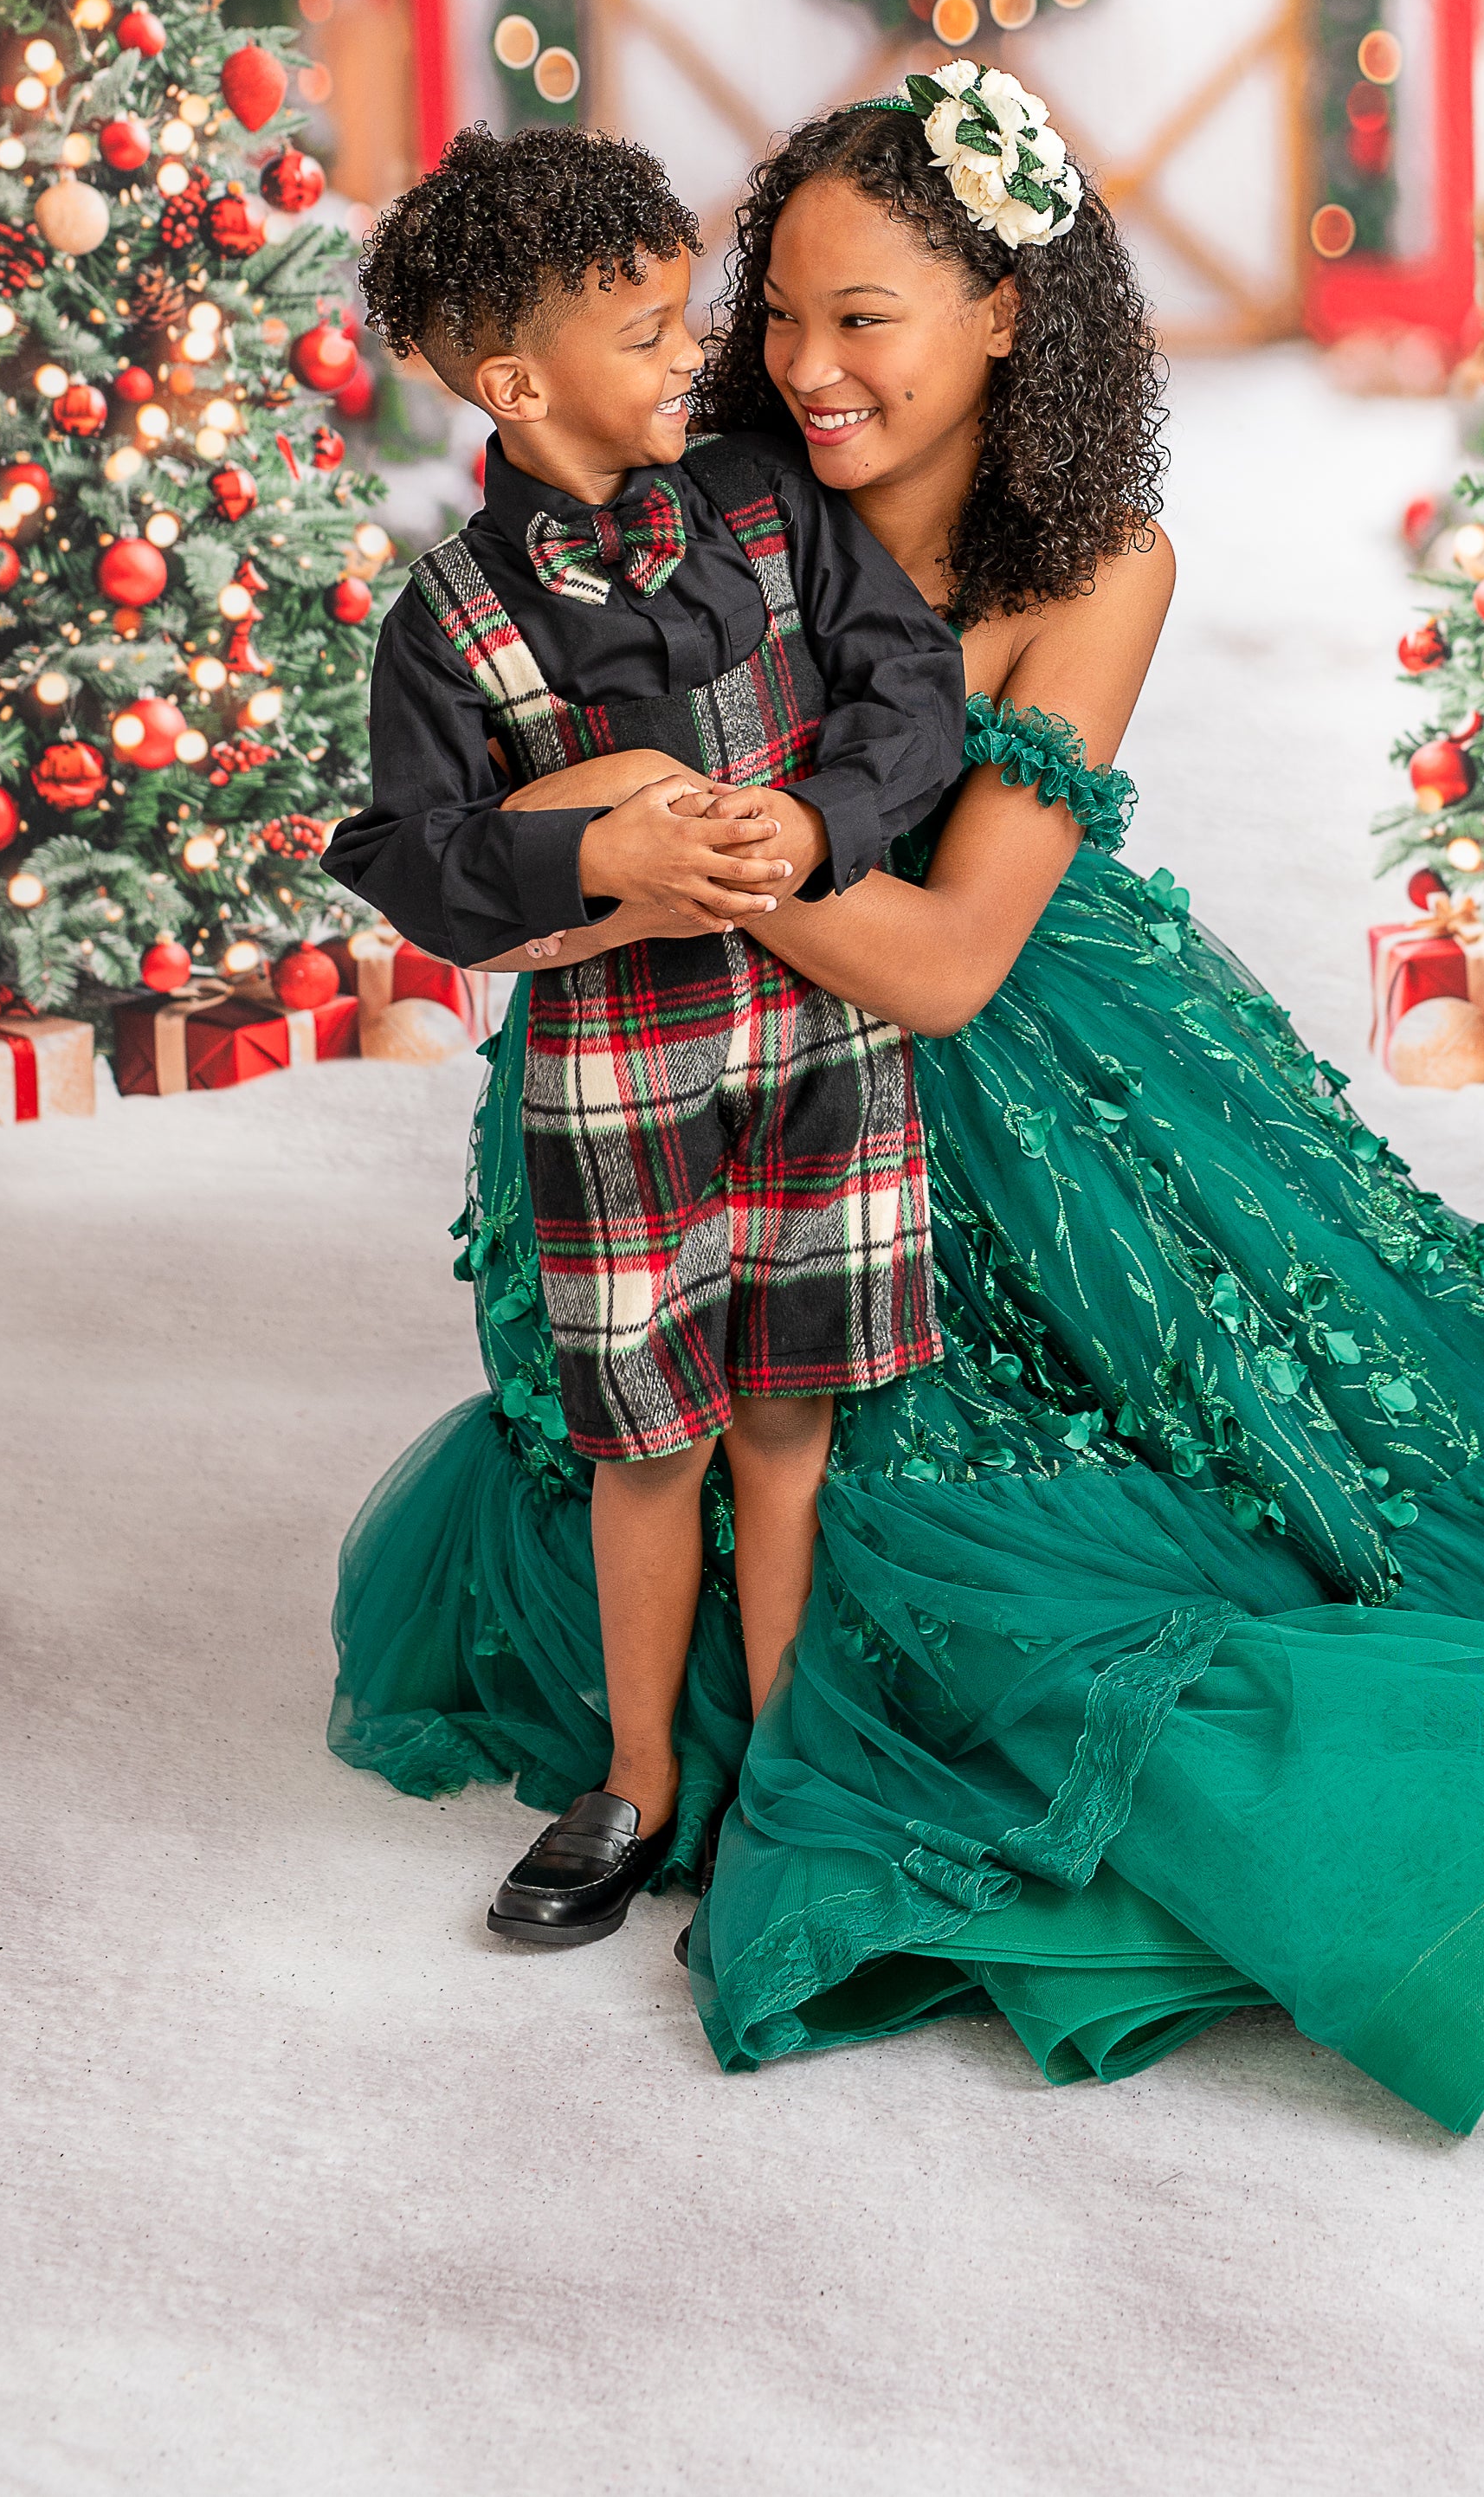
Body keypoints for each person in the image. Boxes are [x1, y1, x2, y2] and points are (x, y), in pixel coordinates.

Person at [332, 68, 1484, 2135]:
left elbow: (944, 960)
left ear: (1008, 311)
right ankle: (674, 1752)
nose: (800, 366)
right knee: (642, 1447)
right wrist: (577, 848)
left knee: (1050, 1538)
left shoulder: (1092, 564)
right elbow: (467, 841)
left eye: (867, 318)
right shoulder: (706, 481)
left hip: (988, 1068)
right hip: (676, 1087)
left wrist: (662, 834)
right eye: (775, 316)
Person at [323, 123, 967, 1949]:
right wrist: (588, 843)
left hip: (818, 1029)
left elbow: (906, 682)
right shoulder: (448, 618)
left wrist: (829, 820)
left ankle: (776, 1760)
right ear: (519, 385)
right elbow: (414, 856)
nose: (697, 357)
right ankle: (634, 1774)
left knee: (787, 1410)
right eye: (649, 332)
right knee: (648, 1434)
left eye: (688, 319)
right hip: (615, 1067)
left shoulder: (767, 504)